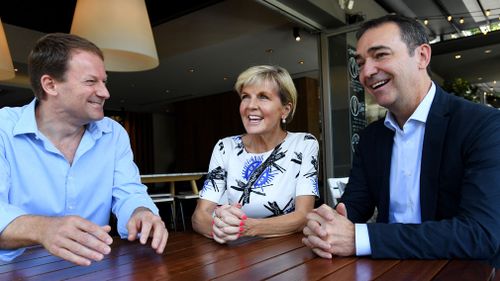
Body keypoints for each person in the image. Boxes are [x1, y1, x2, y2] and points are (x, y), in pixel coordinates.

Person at [302, 14, 500, 267]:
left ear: (422, 56)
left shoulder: (482, 124)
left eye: (380, 55)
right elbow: (354, 204)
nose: (367, 72)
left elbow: (480, 234)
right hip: (388, 269)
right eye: (360, 62)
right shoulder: (371, 137)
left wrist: (361, 238)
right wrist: (325, 222)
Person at [0, 33, 168, 266]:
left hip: (92, 268)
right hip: (15, 271)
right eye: (91, 82)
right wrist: (44, 229)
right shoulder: (3, 129)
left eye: (104, 81)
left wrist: (140, 212)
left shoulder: (114, 133)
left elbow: (129, 192)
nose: (105, 93)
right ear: (50, 85)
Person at [192, 65, 319, 243]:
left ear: (285, 109)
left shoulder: (304, 144)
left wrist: (248, 228)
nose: (251, 106)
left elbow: (303, 215)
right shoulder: (225, 147)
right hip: (233, 254)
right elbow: (199, 217)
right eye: (245, 97)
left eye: (263, 97)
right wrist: (219, 226)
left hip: (286, 253)